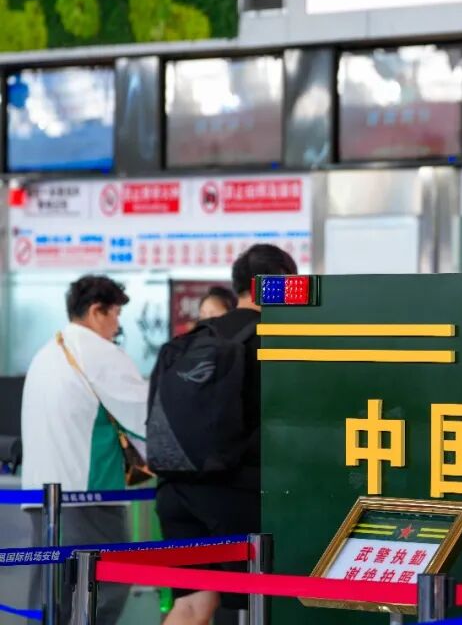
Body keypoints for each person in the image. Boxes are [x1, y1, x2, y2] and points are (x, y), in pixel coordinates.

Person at [156, 244, 297, 625]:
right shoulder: (274, 342)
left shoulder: (190, 341)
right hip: (237, 494)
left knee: (192, 605)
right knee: (267, 604)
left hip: (176, 490)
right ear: (279, 284)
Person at [21, 275, 147, 625]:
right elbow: (147, 417)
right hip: (90, 495)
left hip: (41, 498)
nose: (117, 325)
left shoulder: (46, 353)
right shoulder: (100, 352)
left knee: (51, 596)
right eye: (115, 314)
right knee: (103, 588)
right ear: (96, 312)